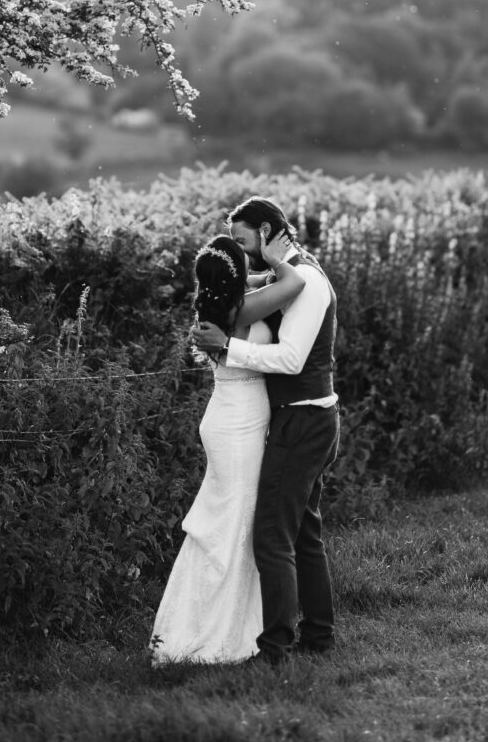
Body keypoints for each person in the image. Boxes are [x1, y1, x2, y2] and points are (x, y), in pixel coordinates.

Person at [193, 196, 340, 665]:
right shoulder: (287, 273)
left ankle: (275, 647)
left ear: (268, 231)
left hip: (303, 418)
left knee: (272, 537)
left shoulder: (308, 282)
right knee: (302, 534)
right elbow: (239, 288)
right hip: (302, 416)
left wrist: (230, 350)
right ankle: (318, 637)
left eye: (243, 240)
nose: (241, 251)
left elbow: (292, 359)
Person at [150, 231, 306, 665]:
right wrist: (277, 259)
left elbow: (252, 281)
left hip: (225, 417)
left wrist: (254, 271)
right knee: (236, 524)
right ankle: (219, 631)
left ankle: (224, 620)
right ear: (236, 273)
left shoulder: (217, 302)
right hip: (239, 424)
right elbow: (294, 283)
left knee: (228, 520)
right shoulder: (243, 307)